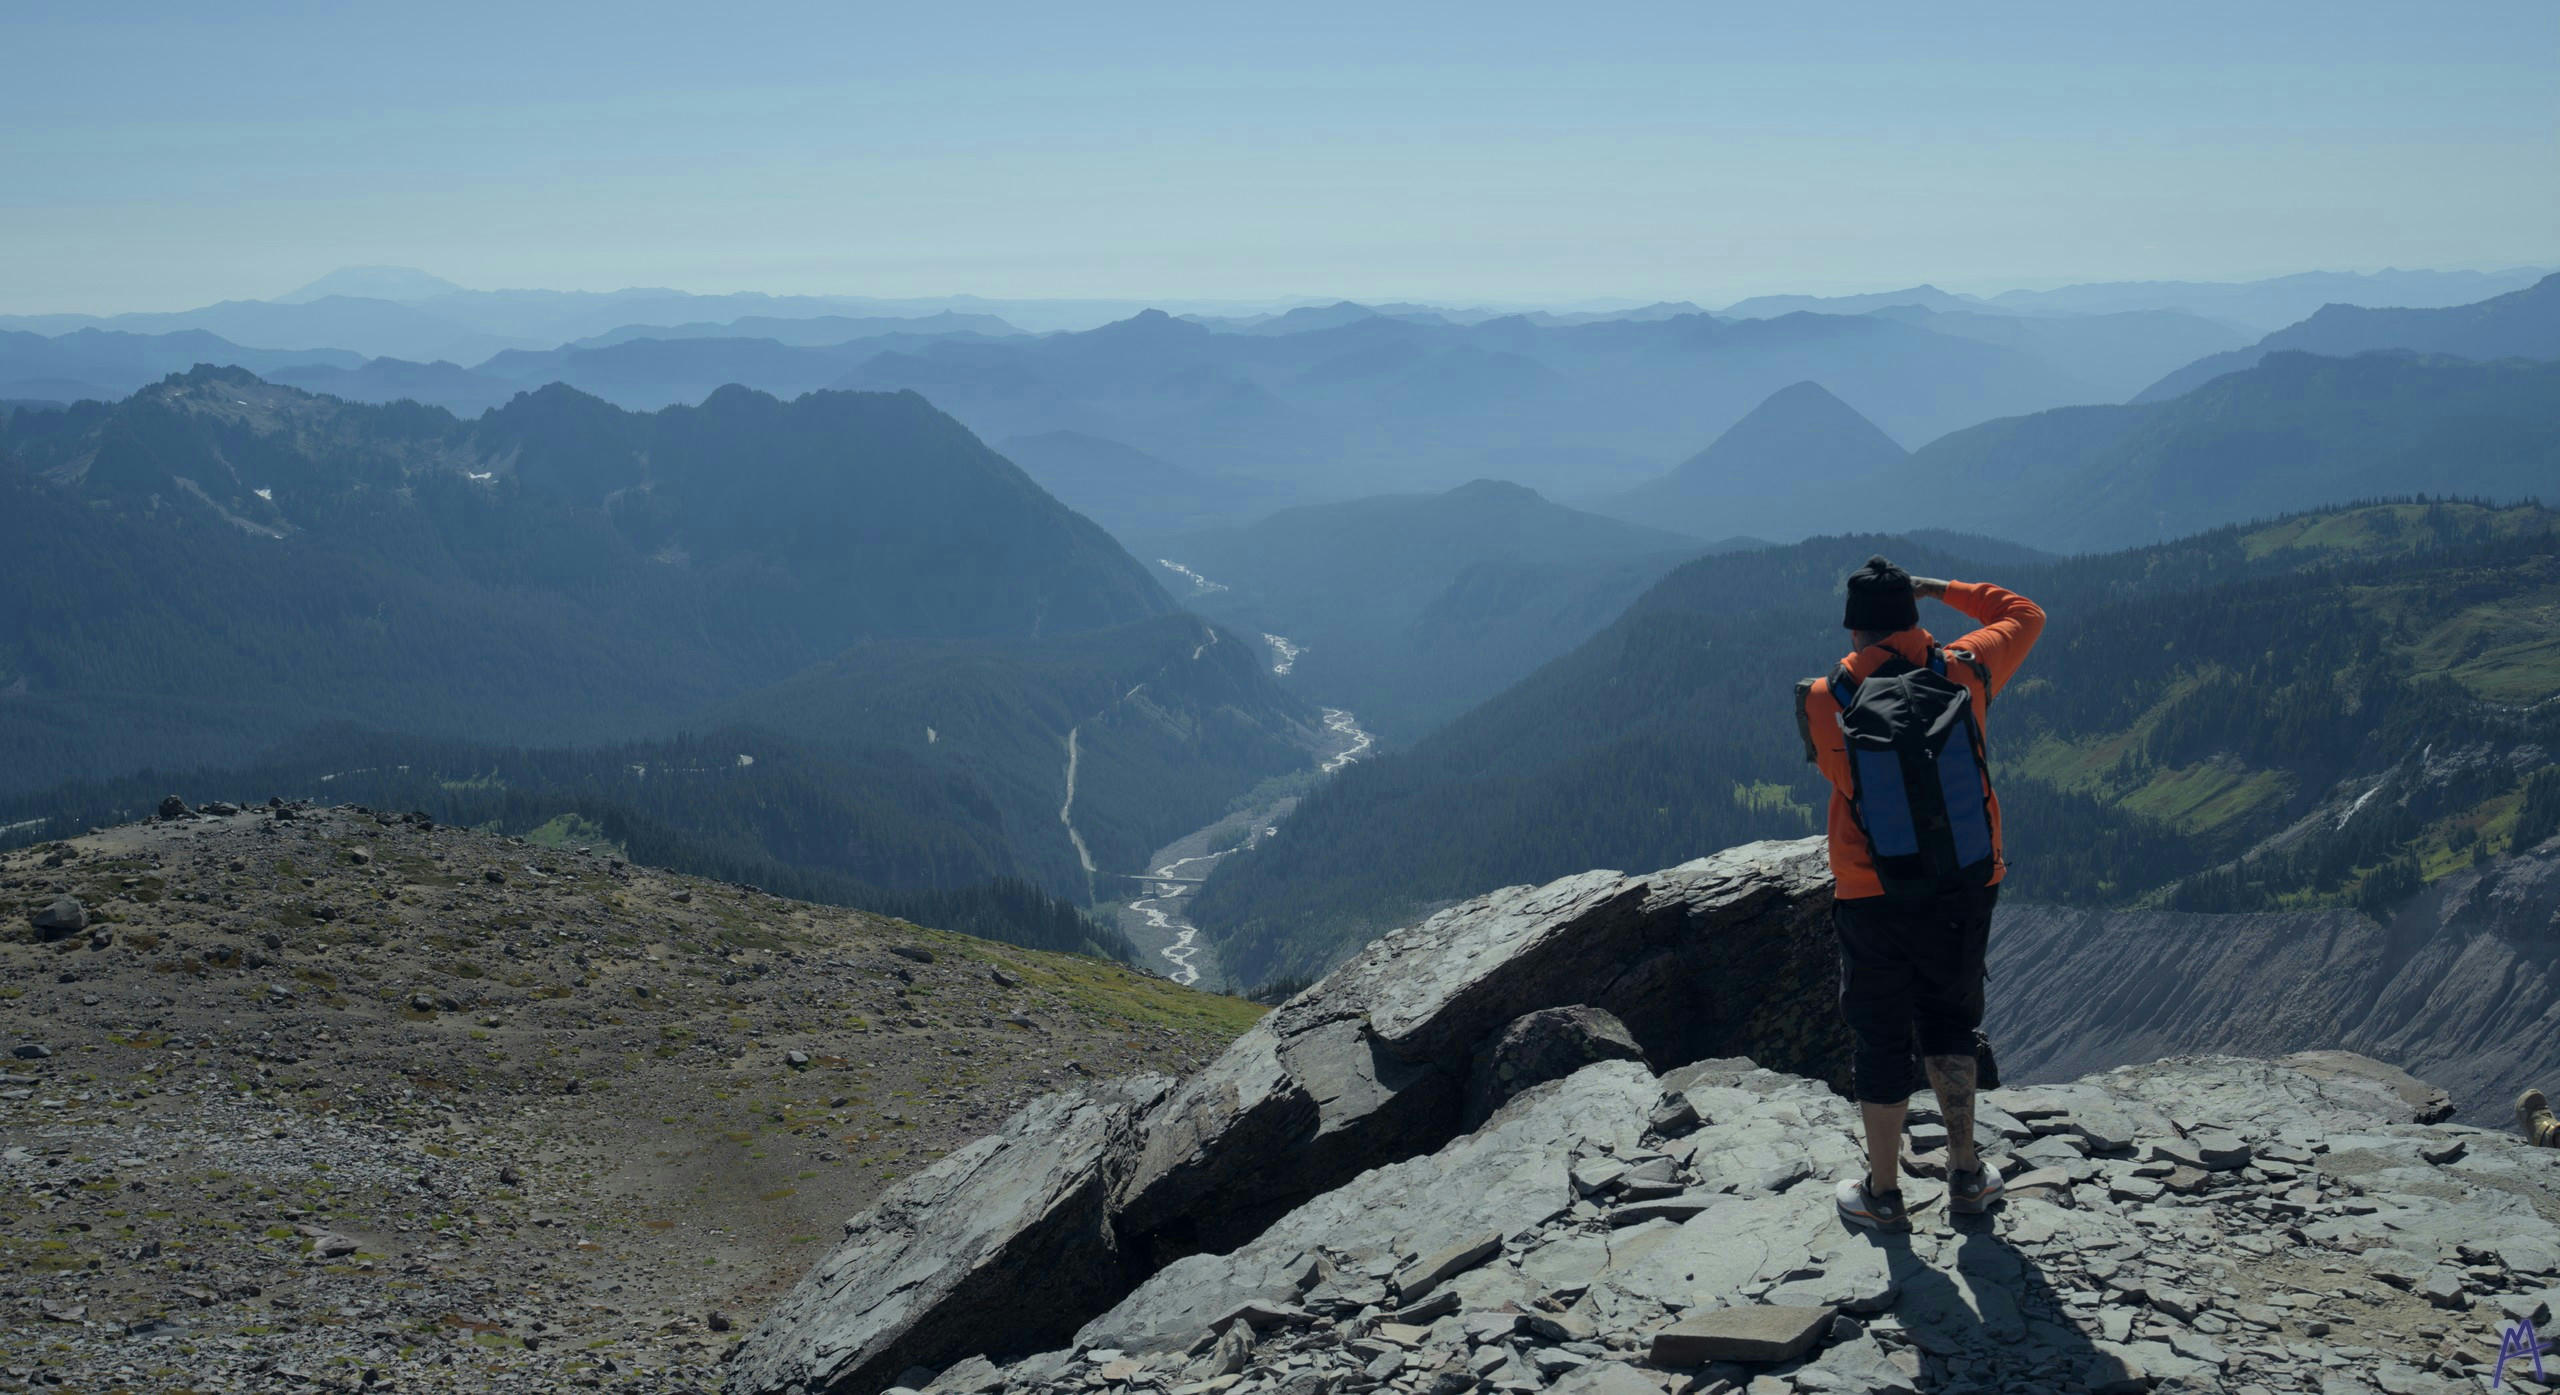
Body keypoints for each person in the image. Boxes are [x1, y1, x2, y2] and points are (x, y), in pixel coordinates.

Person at [1797, 556, 2044, 1232]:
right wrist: (1942, 588)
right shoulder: (1967, 669)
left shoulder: (1825, 697)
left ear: (1854, 629)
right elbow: (2026, 613)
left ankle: (1882, 1191)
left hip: (1869, 889)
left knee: (1879, 1033)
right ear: (1913, 616)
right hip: (1964, 883)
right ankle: (1965, 1175)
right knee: (1950, 1019)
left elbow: (1834, 769)